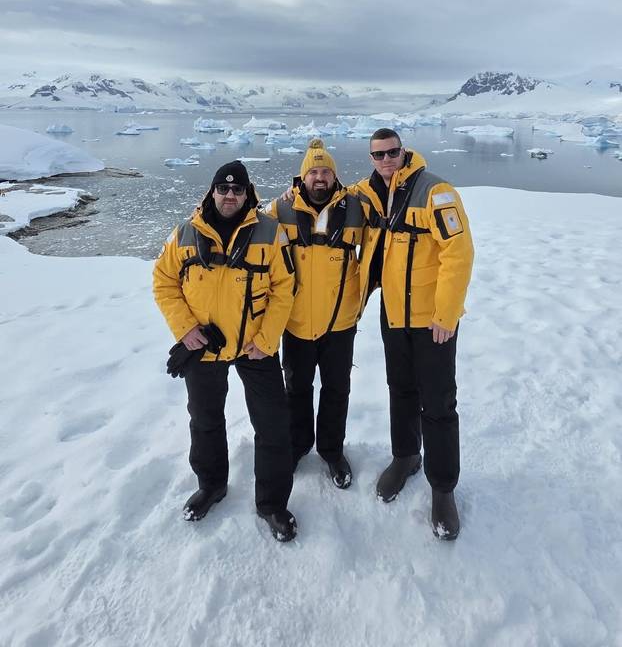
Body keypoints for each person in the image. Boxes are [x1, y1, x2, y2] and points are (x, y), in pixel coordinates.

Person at [153, 160, 297, 542]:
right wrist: (185, 330)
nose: (230, 196)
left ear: (248, 194)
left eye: (237, 190)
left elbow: (285, 288)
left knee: (272, 428)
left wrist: (266, 341)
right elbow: (164, 282)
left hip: (255, 348)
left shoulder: (270, 233)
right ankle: (211, 485)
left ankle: (272, 504)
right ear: (212, 191)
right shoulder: (184, 234)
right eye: (223, 189)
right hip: (205, 347)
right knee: (205, 421)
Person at [354, 128, 474, 540]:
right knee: (400, 388)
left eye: (391, 152)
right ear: (371, 158)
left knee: (438, 401)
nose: (385, 160)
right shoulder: (374, 191)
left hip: (432, 322)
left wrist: (447, 314)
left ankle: (443, 489)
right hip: (394, 316)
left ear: (404, 151)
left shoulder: (435, 191)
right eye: (377, 155)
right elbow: (334, 197)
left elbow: (458, 253)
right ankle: (406, 456)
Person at [264, 139, 364, 488]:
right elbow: (254, 235)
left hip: (341, 321)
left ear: (334, 175)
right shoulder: (280, 209)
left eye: (325, 171)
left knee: (337, 389)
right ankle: (298, 445)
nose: (320, 178)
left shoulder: (355, 207)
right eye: (313, 172)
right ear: (302, 176)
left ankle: (332, 451)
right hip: (296, 321)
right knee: (297, 388)